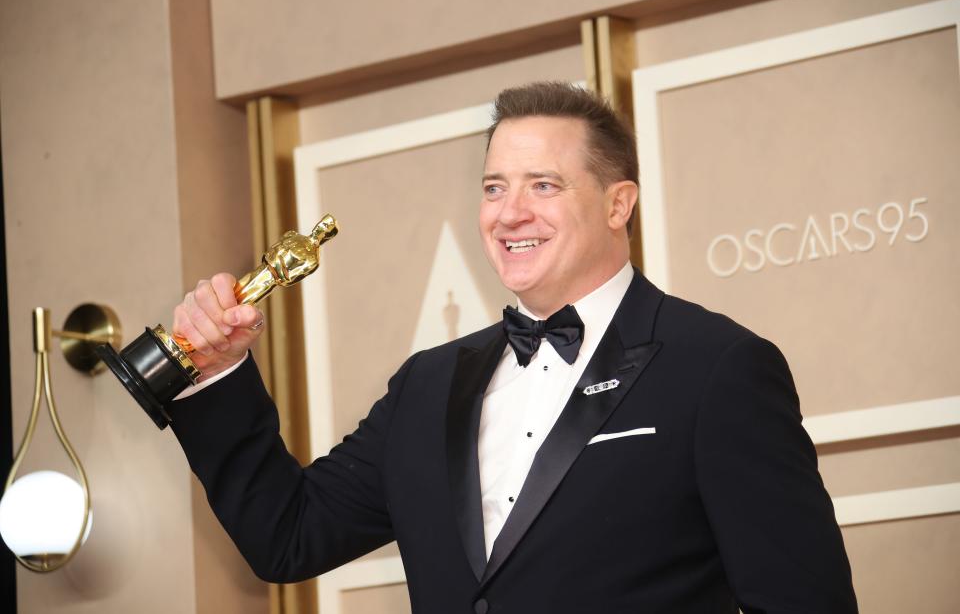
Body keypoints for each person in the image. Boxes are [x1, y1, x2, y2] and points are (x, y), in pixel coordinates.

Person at [168, 82, 858, 613]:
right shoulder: (426, 385)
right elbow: (289, 533)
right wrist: (221, 373)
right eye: (495, 187)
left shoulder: (718, 367)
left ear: (619, 204)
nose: (510, 211)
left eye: (544, 185)